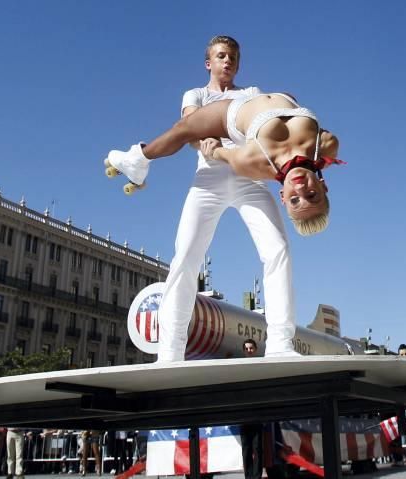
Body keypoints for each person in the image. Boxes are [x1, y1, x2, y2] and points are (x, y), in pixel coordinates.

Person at [122, 36, 304, 362]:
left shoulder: (249, 94)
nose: (228, 61)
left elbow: (265, 122)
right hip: (209, 180)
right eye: (221, 56)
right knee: (186, 257)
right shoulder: (196, 94)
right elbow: (191, 127)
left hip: (248, 177)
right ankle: (170, 350)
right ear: (209, 62)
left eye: (233, 57)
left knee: (278, 249)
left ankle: (280, 344)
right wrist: (205, 142)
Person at [104, 74, 341, 237]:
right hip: (283, 98)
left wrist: (211, 148)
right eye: (312, 195)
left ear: (282, 197)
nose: (300, 190)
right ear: (323, 186)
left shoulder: (255, 163)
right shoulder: (327, 146)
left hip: (232, 114)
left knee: (184, 128)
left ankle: (138, 160)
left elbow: (217, 152)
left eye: (295, 200)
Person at [240, 339, 264, 479]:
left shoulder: (259, 366)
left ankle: (257, 476)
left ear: (255, 349)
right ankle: (248, 476)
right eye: (247, 348)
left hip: (256, 414)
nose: (249, 350)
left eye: (251, 348)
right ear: (244, 350)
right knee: (246, 449)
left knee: (257, 448)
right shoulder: (239, 366)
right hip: (243, 415)